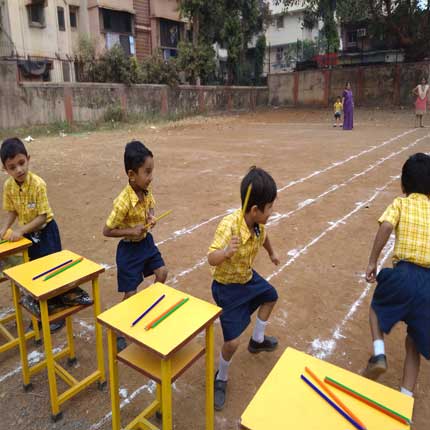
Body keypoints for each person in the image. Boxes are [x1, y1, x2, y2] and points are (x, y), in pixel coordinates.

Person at [208, 167, 280, 411]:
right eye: (270, 207)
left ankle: (257, 340)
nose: (272, 211)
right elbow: (211, 258)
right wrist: (226, 252)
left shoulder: (258, 226)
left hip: (247, 279)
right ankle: (221, 377)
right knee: (232, 342)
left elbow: (265, 236)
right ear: (255, 210)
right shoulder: (229, 226)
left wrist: (271, 252)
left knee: (270, 296)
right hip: (227, 287)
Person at [364, 153, 430, 398]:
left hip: (403, 275)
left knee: (375, 308)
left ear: (403, 185)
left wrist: (373, 261)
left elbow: (387, 226)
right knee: (413, 343)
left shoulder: (401, 204)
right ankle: (405, 400)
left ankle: (379, 352)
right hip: (428, 285)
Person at [103, 141, 168, 352]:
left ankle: (148, 308)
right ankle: (118, 330)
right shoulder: (122, 202)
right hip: (129, 250)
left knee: (162, 272)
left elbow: (150, 210)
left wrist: (151, 218)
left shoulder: (146, 192)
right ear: (132, 175)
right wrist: (131, 231)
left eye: (152, 171)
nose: (151, 177)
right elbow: (107, 230)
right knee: (130, 294)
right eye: (147, 172)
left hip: (146, 244)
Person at [0, 137, 64, 331]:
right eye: (12, 167)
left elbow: (42, 217)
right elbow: (12, 210)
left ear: (28, 158)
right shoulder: (9, 186)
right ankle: (39, 313)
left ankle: (56, 315)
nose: (19, 170)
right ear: (5, 169)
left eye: (21, 163)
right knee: (33, 272)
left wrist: (19, 230)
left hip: (46, 232)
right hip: (28, 234)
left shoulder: (38, 184)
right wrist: (5, 228)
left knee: (51, 272)